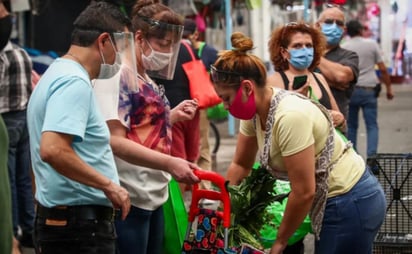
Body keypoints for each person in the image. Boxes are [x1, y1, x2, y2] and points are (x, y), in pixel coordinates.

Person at [213, 31, 386, 254]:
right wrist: (222, 213)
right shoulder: (254, 112)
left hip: (349, 200)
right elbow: (241, 166)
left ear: (247, 88)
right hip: (325, 199)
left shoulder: (290, 116)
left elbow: (304, 191)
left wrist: (280, 243)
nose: (225, 106)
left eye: (226, 98)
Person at [93, 1, 200, 253]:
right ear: (139, 37)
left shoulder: (145, 77)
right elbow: (115, 140)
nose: (168, 52)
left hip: (153, 194)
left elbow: (139, 126)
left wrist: (171, 116)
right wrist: (170, 163)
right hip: (130, 197)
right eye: (164, 44)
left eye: (173, 46)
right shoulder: (117, 76)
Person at [26, 2, 131, 253]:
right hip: (79, 230)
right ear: (104, 41)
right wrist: (109, 185)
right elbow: (52, 150)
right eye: (122, 48)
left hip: (65, 222)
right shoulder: (74, 82)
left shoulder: (57, 73)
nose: (122, 59)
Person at [267, 21, 346, 133]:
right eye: (297, 46)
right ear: (284, 52)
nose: (304, 50)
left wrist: (340, 120)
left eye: (309, 45)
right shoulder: (274, 82)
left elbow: (340, 120)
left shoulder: (319, 78)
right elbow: (271, 126)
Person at [152, 21, 203, 194]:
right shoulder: (190, 49)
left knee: (178, 162)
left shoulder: (161, 53)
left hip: (173, 110)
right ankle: (193, 201)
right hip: (193, 108)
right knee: (191, 158)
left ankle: (180, 206)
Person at [0, 0, 35, 249]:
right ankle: (30, 227)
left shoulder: (3, 56)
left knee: (8, 179)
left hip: (7, 120)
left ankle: (12, 231)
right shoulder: (22, 53)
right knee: (23, 178)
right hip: (24, 118)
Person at [341, 20, 394, 162]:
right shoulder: (371, 44)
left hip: (351, 91)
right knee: (372, 125)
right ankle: (372, 158)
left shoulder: (344, 47)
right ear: (360, 30)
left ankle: (354, 160)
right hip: (369, 91)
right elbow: (382, 68)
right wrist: (389, 88)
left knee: (351, 126)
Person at [183, 18, 219, 189]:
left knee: (202, 145)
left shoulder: (208, 52)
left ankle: (205, 187)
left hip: (199, 105)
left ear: (195, 35)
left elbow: (221, 70)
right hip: (181, 105)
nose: (183, 39)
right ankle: (189, 185)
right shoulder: (177, 49)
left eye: (187, 36)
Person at [315, 6, 359, 121]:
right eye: (329, 22)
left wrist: (314, 57)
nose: (334, 26)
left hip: (336, 125)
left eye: (339, 23)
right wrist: (330, 79)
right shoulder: (302, 54)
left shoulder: (349, 56)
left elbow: (341, 77)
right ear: (317, 26)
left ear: (344, 30)